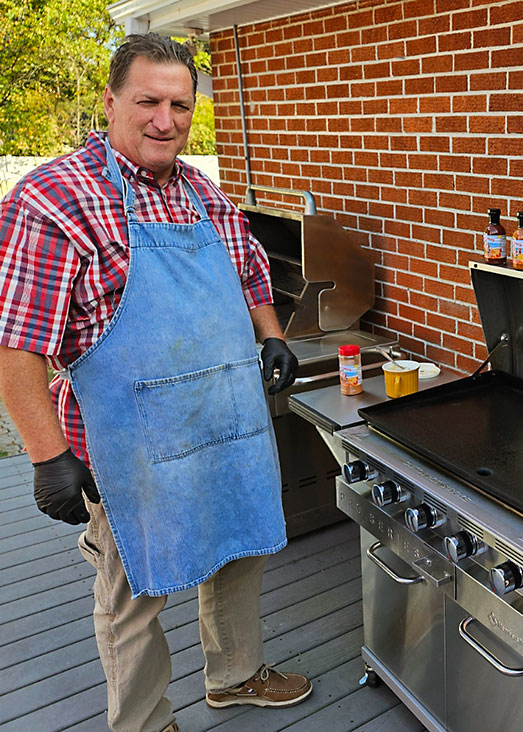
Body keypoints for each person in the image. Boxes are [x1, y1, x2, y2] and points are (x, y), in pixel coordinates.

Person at [0, 34, 311, 732]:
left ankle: (234, 677)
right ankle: (142, 721)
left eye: (180, 105)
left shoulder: (199, 188)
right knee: (136, 590)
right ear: (111, 101)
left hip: (223, 420)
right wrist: (48, 456)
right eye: (147, 102)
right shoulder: (53, 200)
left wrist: (272, 335)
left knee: (239, 551)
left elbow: (249, 266)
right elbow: (17, 347)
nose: (164, 121)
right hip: (129, 445)